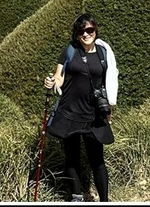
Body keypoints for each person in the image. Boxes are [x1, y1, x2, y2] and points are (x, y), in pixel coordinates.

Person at [43, 13, 119, 202]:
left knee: (97, 161)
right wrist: (52, 82)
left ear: (95, 30)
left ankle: (104, 201)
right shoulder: (69, 50)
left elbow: (109, 82)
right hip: (70, 111)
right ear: (76, 34)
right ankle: (76, 197)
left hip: (93, 114)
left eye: (89, 30)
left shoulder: (103, 53)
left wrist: (109, 108)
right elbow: (59, 77)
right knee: (72, 158)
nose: (85, 34)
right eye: (81, 31)